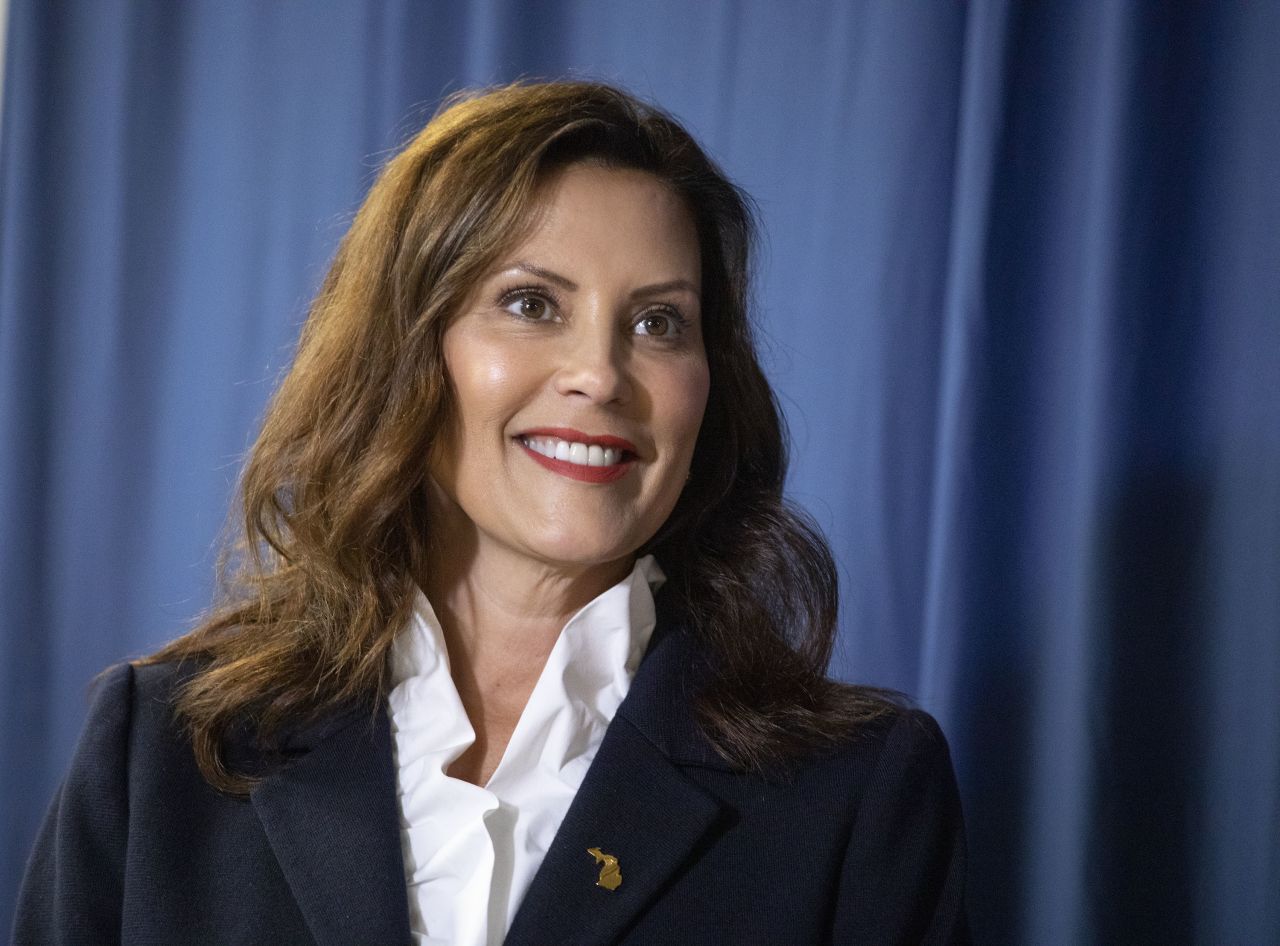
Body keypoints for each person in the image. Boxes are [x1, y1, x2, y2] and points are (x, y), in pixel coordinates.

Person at [14, 81, 969, 945]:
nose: (600, 373)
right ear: (405, 349)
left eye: (658, 322)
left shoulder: (856, 797)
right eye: (530, 303)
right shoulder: (163, 752)